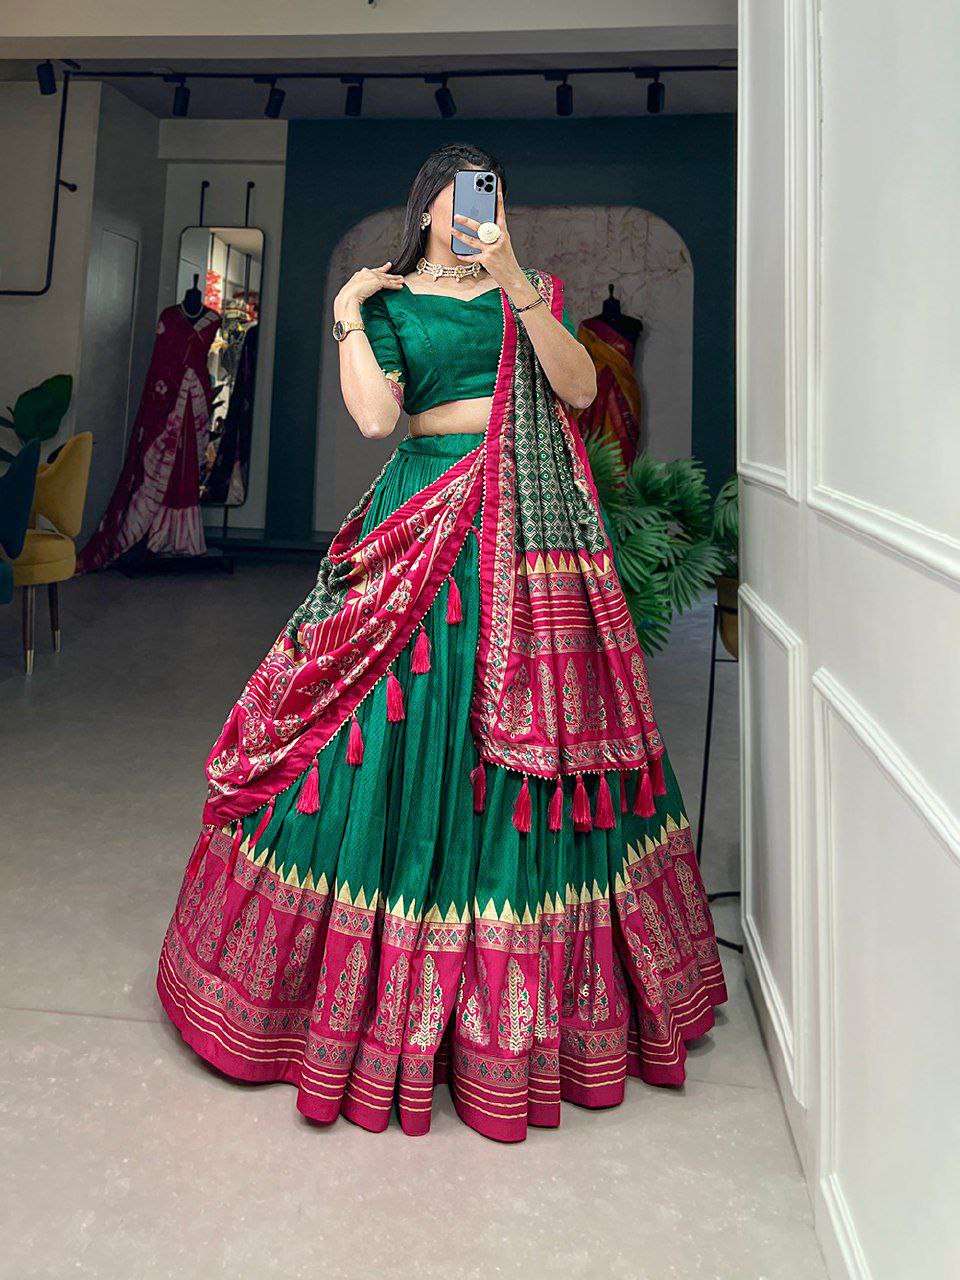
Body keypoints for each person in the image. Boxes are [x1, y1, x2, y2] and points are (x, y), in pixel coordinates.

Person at [157, 142, 727, 1143]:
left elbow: (578, 392)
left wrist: (517, 281)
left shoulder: (527, 288)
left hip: (527, 534)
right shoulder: (389, 301)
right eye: (460, 198)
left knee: (530, 741)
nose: (475, 213)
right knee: (369, 722)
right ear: (426, 206)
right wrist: (350, 308)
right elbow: (377, 417)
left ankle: (529, 1007)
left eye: (489, 197)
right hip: (425, 509)